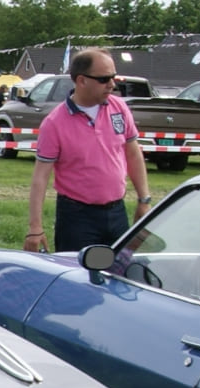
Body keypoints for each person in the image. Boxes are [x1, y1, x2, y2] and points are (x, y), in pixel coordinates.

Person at [24, 47, 151, 253]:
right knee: (77, 278)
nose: (112, 84)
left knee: (120, 275)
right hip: (77, 217)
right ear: (81, 80)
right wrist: (35, 228)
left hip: (117, 212)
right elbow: (40, 177)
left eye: (113, 77)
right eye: (104, 79)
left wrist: (144, 199)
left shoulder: (119, 108)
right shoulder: (55, 123)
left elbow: (133, 154)